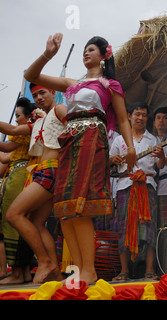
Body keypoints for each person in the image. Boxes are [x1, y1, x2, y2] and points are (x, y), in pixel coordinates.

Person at [24, 33, 137, 285]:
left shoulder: (109, 85)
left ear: (103, 55)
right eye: (84, 50)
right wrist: (48, 55)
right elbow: (30, 76)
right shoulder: (72, 83)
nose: (86, 53)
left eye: (91, 49)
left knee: (80, 205)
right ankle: (79, 270)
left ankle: (90, 271)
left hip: (92, 140)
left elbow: (122, 119)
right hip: (69, 141)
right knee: (65, 209)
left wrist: (130, 147)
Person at [0, 84, 66, 284]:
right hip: (41, 170)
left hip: (52, 169)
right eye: (35, 94)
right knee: (37, 223)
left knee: (13, 214)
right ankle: (53, 270)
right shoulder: (39, 120)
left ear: (54, 92)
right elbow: (11, 130)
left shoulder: (59, 110)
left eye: (42, 93)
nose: (38, 97)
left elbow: (77, 131)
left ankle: (45, 261)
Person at [110, 102, 165, 281]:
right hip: (125, 185)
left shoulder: (153, 140)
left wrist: (162, 156)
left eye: (144, 115)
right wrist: (113, 159)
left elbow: (160, 166)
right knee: (124, 227)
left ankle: (149, 270)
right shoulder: (119, 140)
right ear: (129, 116)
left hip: (147, 185)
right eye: (137, 114)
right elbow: (109, 164)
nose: (140, 118)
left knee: (149, 227)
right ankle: (124, 271)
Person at [0, 98, 36, 285]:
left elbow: (6, 147)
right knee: (20, 222)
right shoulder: (30, 129)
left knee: (12, 221)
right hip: (22, 173)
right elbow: (6, 155)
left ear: (29, 117)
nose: (16, 120)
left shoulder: (29, 127)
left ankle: (16, 273)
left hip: (21, 174)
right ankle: (23, 272)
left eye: (18, 116)